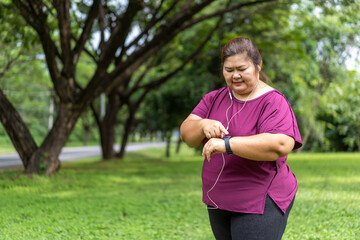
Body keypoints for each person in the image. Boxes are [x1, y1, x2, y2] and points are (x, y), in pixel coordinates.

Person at [180, 37, 302, 240]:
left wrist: (227, 145)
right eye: (228, 70)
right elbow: (187, 134)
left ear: (258, 65)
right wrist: (202, 125)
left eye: (241, 68)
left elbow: (280, 144)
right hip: (219, 200)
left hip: (259, 200)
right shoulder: (213, 99)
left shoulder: (273, 102)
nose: (235, 75)